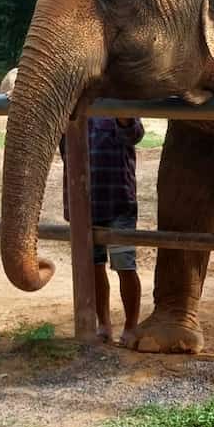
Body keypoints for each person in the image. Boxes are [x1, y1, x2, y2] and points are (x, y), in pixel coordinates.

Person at [60, 115, 145, 345]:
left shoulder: (118, 105)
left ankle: (131, 325)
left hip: (118, 203)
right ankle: (104, 324)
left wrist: (125, 120)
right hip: (84, 206)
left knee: (124, 266)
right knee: (93, 268)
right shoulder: (71, 111)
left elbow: (135, 134)